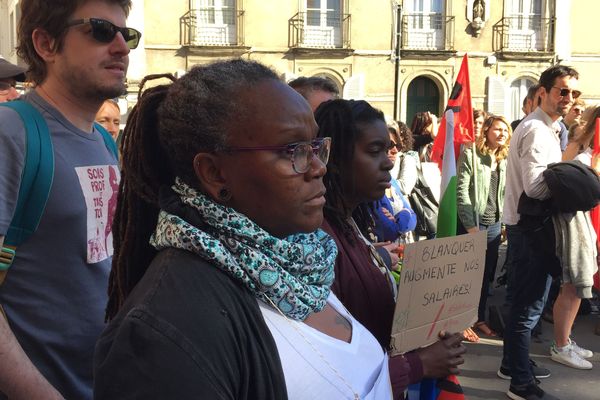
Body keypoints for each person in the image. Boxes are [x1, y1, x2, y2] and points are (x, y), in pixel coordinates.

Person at [94, 59, 394, 400]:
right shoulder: (168, 329)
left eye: (315, 146)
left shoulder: (300, 262)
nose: (318, 167)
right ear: (215, 173)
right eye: (291, 150)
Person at [0, 1, 138, 399]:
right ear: (46, 43)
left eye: (125, 35)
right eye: (99, 30)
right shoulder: (12, 132)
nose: (121, 47)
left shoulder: (103, 143)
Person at [314, 99, 466, 399]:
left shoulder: (351, 223)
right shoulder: (317, 242)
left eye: (388, 149)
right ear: (334, 159)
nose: (388, 161)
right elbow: (329, 370)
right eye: (374, 151)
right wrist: (417, 365)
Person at [500, 65, 580, 400]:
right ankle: (520, 383)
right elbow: (535, 187)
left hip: (531, 228)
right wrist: (574, 187)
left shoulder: (549, 127)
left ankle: (512, 364)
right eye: (563, 91)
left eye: (574, 93)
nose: (569, 99)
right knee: (528, 308)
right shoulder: (535, 129)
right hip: (529, 229)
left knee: (527, 305)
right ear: (542, 93)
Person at [457, 115, 511, 338]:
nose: (502, 134)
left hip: (494, 225)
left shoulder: (505, 158)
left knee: (486, 275)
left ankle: (478, 318)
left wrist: (505, 221)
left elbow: (507, 193)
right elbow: (461, 191)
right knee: (467, 276)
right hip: (473, 223)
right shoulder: (471, 153)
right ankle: (461, 320)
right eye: (497, 129)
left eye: (505, 131)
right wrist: (470, 226)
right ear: (487, 130)